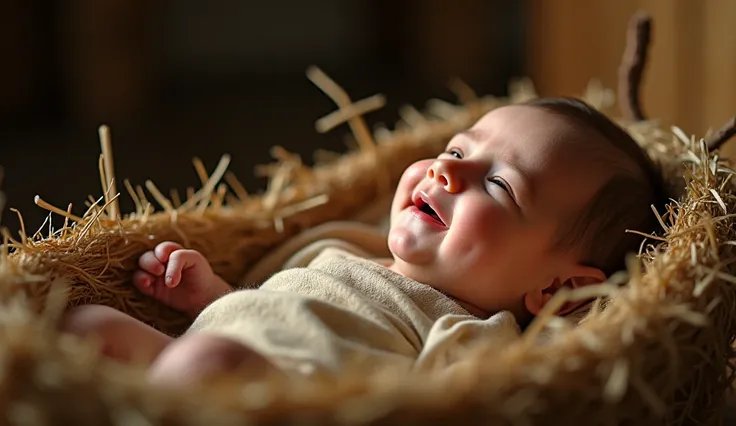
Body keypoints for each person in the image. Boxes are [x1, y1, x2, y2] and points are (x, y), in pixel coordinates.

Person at [61, 98, 666, 386]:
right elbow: (272, 306)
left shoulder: (470, 333)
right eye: (457, 150)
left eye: (501, 185)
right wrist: (210, 297)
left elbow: (454, 403)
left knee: (206, 363)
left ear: (557, 285)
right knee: (87, 325)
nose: (446, 172)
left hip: (274, 394)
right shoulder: (345, 248)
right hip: (209, 350)